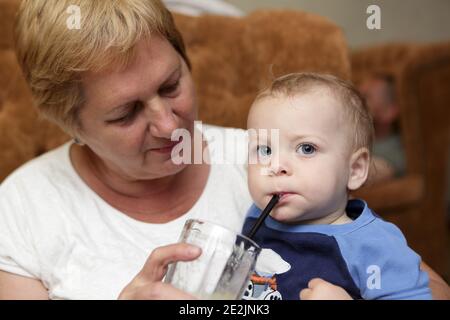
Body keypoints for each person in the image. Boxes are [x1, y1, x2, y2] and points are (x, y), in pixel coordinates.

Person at [0, 0, 448, 300]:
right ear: (69, 123)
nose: (167, 123)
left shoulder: (274, 165)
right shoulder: (23, 209)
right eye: (126, 113)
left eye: (171, 85)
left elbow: (423, 285)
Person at [241, 73, 431, 300]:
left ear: (355, 170)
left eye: (306, 148)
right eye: (265, 150)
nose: (276, 166)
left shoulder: (373, 247)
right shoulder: (255, 216)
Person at [358, 74, 405, 184]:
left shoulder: (395, 152)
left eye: (365, 97)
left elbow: (382, 171)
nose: (354, 103)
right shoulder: (355, 140)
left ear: (389, 112)